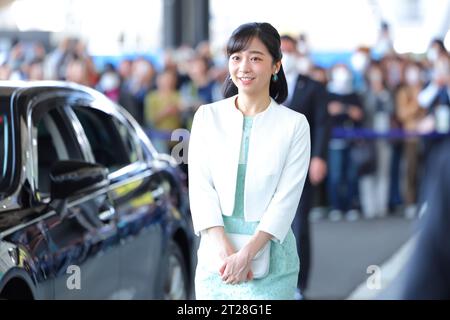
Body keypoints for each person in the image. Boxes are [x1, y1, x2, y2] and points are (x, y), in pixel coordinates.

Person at [188, 22, 311, 300]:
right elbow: (200, 188)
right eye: (236, 57)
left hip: (272, 258)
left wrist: (247, 254)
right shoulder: (207, 117)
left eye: (256, 58)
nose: (244, 67)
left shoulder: (294, 125)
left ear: (276, 65)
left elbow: (286, 198)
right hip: (215, 259)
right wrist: (227, 254)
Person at [280, 34, 329, 298]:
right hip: (270, 165)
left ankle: (299, 285)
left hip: (301, 163)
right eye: (281, 51)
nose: (286, 56)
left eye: (290, 50)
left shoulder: (312, 87)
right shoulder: (268, 85)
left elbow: (322, 124)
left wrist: (319, 157)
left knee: (299, 225)